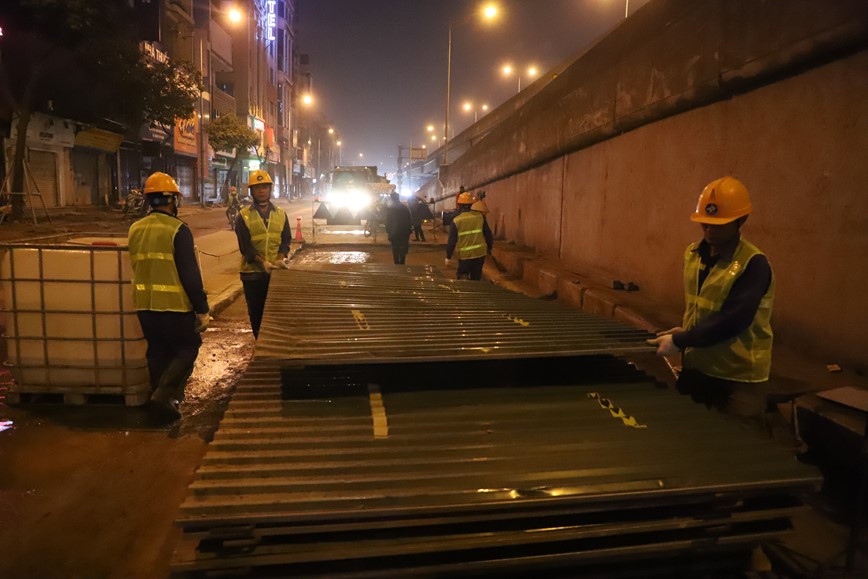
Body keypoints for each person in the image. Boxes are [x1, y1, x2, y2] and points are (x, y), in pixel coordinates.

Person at [648, 176, 774, 423]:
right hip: (699, 367)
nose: (709, 230)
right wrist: (687, 331)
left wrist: (681, 340)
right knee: (683, 436)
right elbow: (703, 306)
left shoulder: (753, 264)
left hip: (738, 379)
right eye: (705, 223)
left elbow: (734, 319)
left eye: (718, 225)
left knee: (733, 448)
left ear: (741, 221)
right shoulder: (693, 254)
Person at [128, 171, 210, 420]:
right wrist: (202, 308)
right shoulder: (178, 230)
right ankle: (163, 396)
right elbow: (189, 274)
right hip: (174, 307)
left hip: (144, 306)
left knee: (157, 351)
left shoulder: (135, 228)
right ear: (174, 200)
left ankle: (159, 401)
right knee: (187, 348)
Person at [234, 169, 291, 339]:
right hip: (252, 274)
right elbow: (246, 247)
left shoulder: (281, 214)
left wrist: (280, 259)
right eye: (257, 187)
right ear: (251, 191)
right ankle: (260, 343)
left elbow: (285, 239)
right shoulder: (243, 216)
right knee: (257, 312)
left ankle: (274, 343)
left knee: (276, 311)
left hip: (275, 273)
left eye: (265, 187)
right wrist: (262, 262)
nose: (261, 190)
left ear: (270, 189)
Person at [446, 190, 494, 280]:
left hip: (465, 255)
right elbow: (488, 234)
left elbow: (452, 240)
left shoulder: (456, 220)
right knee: (476, 277)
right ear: (471, 205)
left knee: (463, 277)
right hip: (480, 254)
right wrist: (490, 247)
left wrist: (448, 256)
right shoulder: (480, 217)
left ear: (459, 205)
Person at [384, 190, 412, 264]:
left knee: (395, 249)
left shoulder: (390, 209)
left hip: (394, 232)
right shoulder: (405, 208)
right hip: (404, 232)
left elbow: (388, 222)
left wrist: (388, 231)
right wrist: (409, 230)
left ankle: (396, 264)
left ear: (392, 198)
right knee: (403, 248)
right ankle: (402, 263)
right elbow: (409, 220)